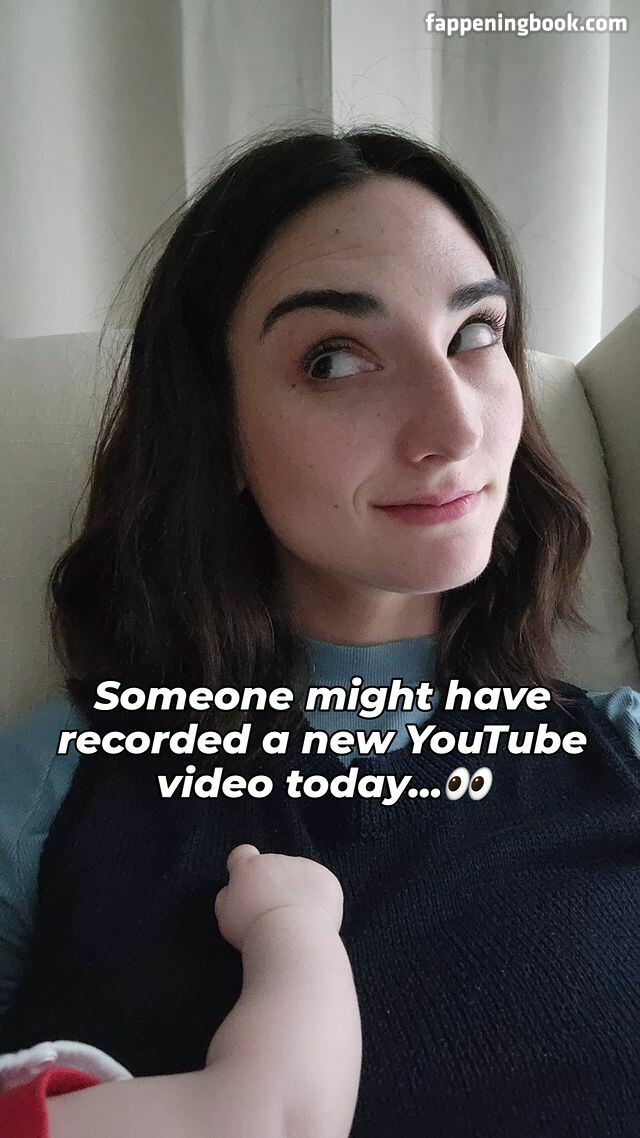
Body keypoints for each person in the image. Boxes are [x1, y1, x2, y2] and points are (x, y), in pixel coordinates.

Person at [0, 121, 639, 1137]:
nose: (456, 427)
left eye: (475, 334)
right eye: (336, 359)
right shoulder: (57, 781)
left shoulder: (622, 750)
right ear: (218, 431)